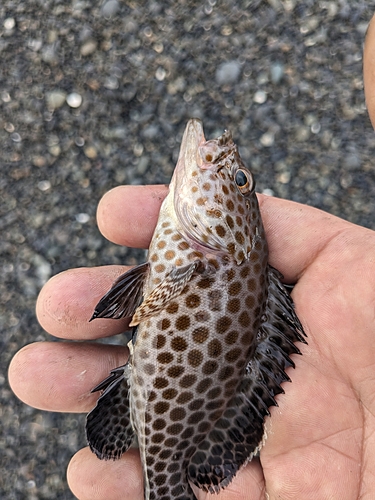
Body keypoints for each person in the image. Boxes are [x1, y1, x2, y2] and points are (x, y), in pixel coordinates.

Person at [8, 14, 375, 500]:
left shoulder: (217, 256)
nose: (226, 160)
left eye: (238, 181)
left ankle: (165, 483)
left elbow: (138, 301)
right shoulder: (220, 256)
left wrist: (137, 302)